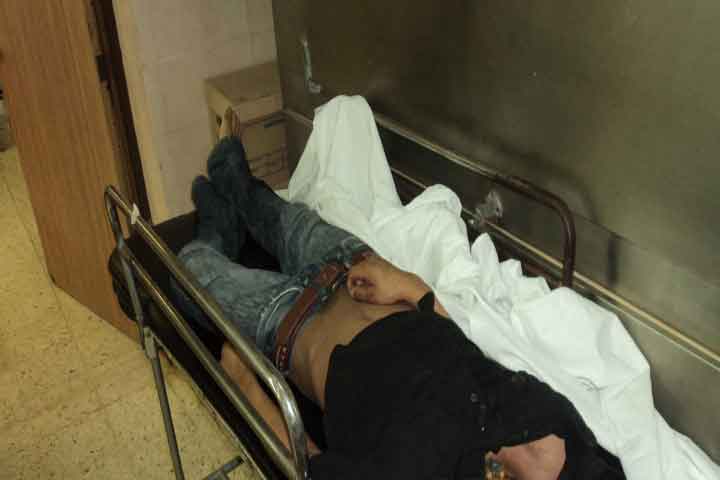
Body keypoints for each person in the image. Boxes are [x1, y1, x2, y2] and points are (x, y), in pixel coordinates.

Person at [173, 117, 622, 480]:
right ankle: (234, 186)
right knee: (270, 209)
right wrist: (413, 288)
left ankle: (216, 222)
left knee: (189, 268)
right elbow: (471, 361)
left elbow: (308, 468)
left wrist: (248, 387)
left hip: (291, 320)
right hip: (359, 270)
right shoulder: (572, 440)